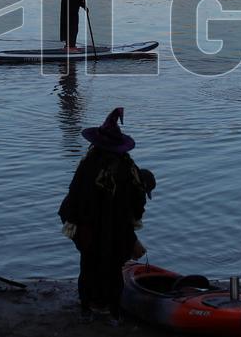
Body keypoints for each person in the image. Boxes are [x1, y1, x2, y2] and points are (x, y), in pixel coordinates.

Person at [59, 108, 151, 325]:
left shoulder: (89, 164)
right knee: (110, 269)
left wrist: (74, 222)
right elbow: (136, 201)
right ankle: (111, 310)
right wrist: (132, 227)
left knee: (91, 267)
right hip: (111, 226)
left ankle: (89, 308)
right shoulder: (126, 167)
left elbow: (74, 196)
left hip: (94, 226)